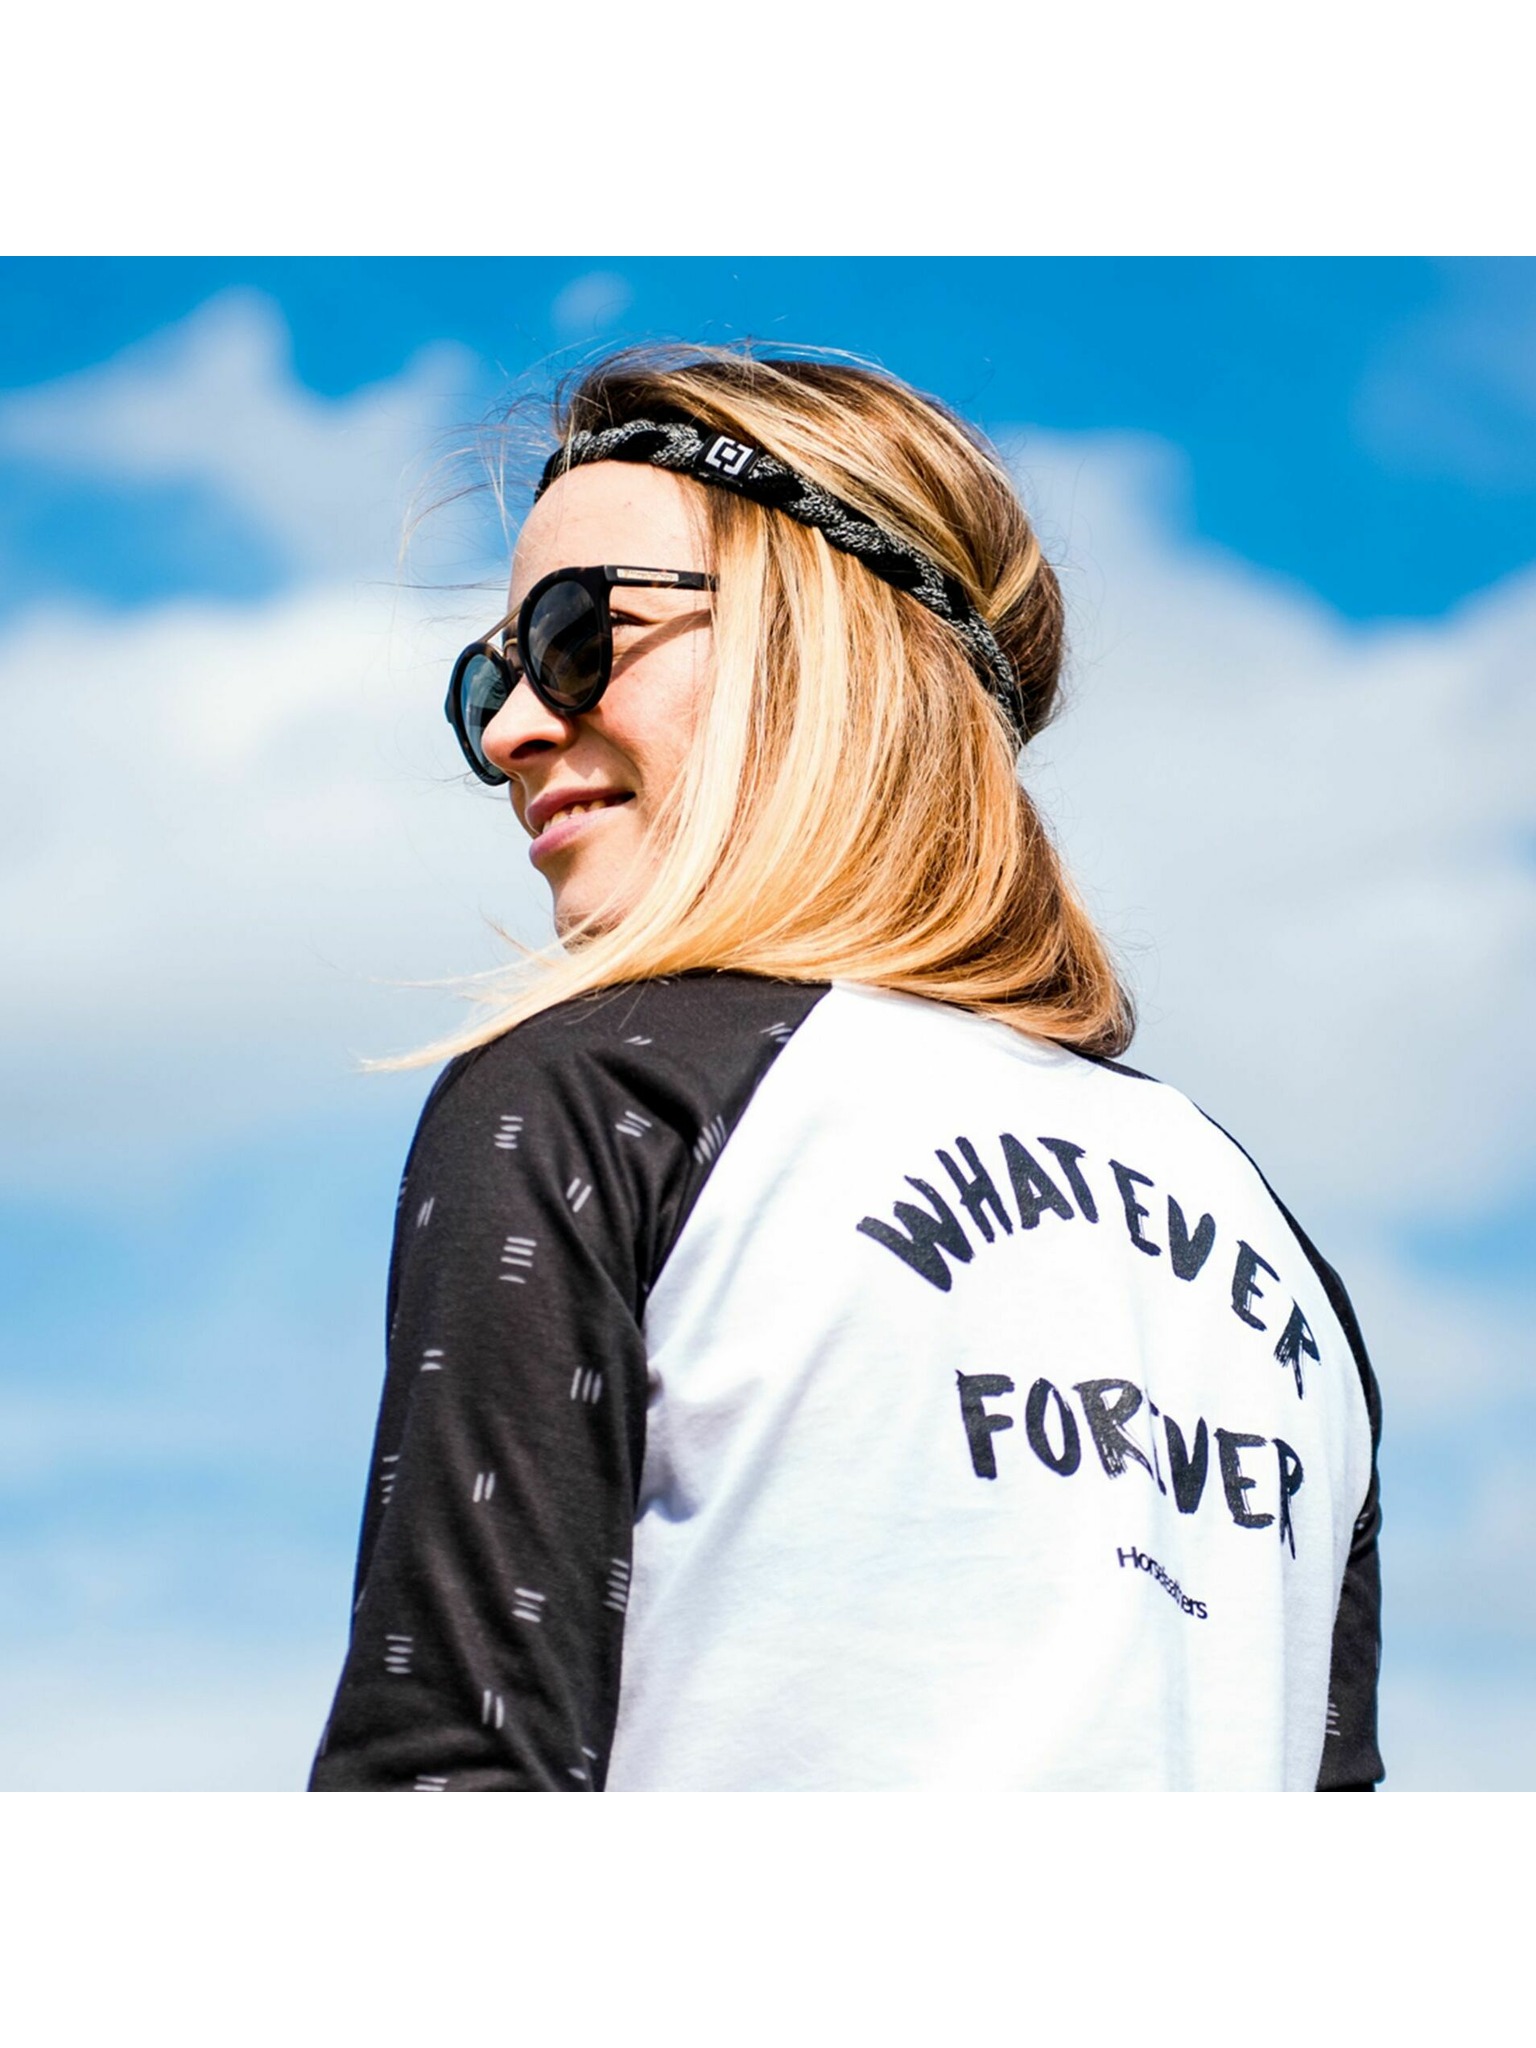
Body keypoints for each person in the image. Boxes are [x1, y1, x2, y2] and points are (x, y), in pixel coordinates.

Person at [309, 348, 1383, 1792]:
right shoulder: (1273, 1248)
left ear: (815, 641)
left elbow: (448, 1772)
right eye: (487, 679)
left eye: (574, 635)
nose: (509, 733)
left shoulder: (598, 1098)